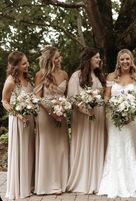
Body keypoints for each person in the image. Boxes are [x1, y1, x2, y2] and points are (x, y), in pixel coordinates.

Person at [98, 49, 136, 198]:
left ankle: (132, 184)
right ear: (118, 61)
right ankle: (112, 183)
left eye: (127, 59)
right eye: (122, 59)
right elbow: (106, 96)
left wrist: (131, 112)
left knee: (129, 146)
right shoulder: (111, 76)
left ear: (131, 61)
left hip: (131, 118)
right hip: (113, 117)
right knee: (115, 145)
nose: (125, 62)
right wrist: (112, 108)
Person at [66, 47, 106, 193]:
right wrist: (85, 110)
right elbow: (72, 98)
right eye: (96, 57)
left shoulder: (99, 76)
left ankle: (97, 179)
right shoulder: (76, 76)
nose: (99, 60)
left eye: (99, 57)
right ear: (88, 59)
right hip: (83, 118)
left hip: (98, 117)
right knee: (84, 144)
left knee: (96, 144)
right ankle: (82, 180)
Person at [34, 46, 69, 195]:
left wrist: (62, 109)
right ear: (49, 60)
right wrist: (51, 111)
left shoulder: (64, 74)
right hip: (45, 115)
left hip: (61, 114)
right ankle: (46, 184)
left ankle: (62, 181)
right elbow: (37, 97)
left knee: (61, 147)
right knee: (47, 148)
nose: (59, 60)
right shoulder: (40, 75)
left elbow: (66, 96)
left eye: (59, 57)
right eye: (56, 58)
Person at [2, 51, 35, 199]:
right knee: (20, 151)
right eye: (23, 63)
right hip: (18, 120)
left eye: (27, 62)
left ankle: (28, 184)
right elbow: (4, 102)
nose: (27, 65)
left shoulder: (28, 78)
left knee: (29, 150)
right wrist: (18, 114)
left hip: (29, 119)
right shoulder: (11, 81)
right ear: (15, 66)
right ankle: (19, 188)